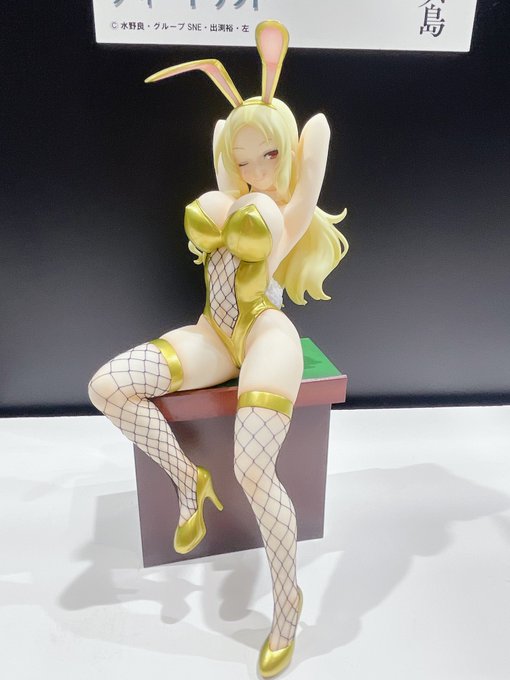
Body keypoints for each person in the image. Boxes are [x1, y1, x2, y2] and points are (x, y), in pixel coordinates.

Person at [88, 20, 348, 678]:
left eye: (269, 156)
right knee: (108, 387)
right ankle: (188, 480)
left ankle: (287, 601)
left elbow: (315, 144)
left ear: (286, 154)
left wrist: (298, 136)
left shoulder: (286, 210)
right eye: (244, 158)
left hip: (264, 330)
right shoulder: (226, 198)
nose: (256, 171)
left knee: (255, 465)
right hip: (213, 331)